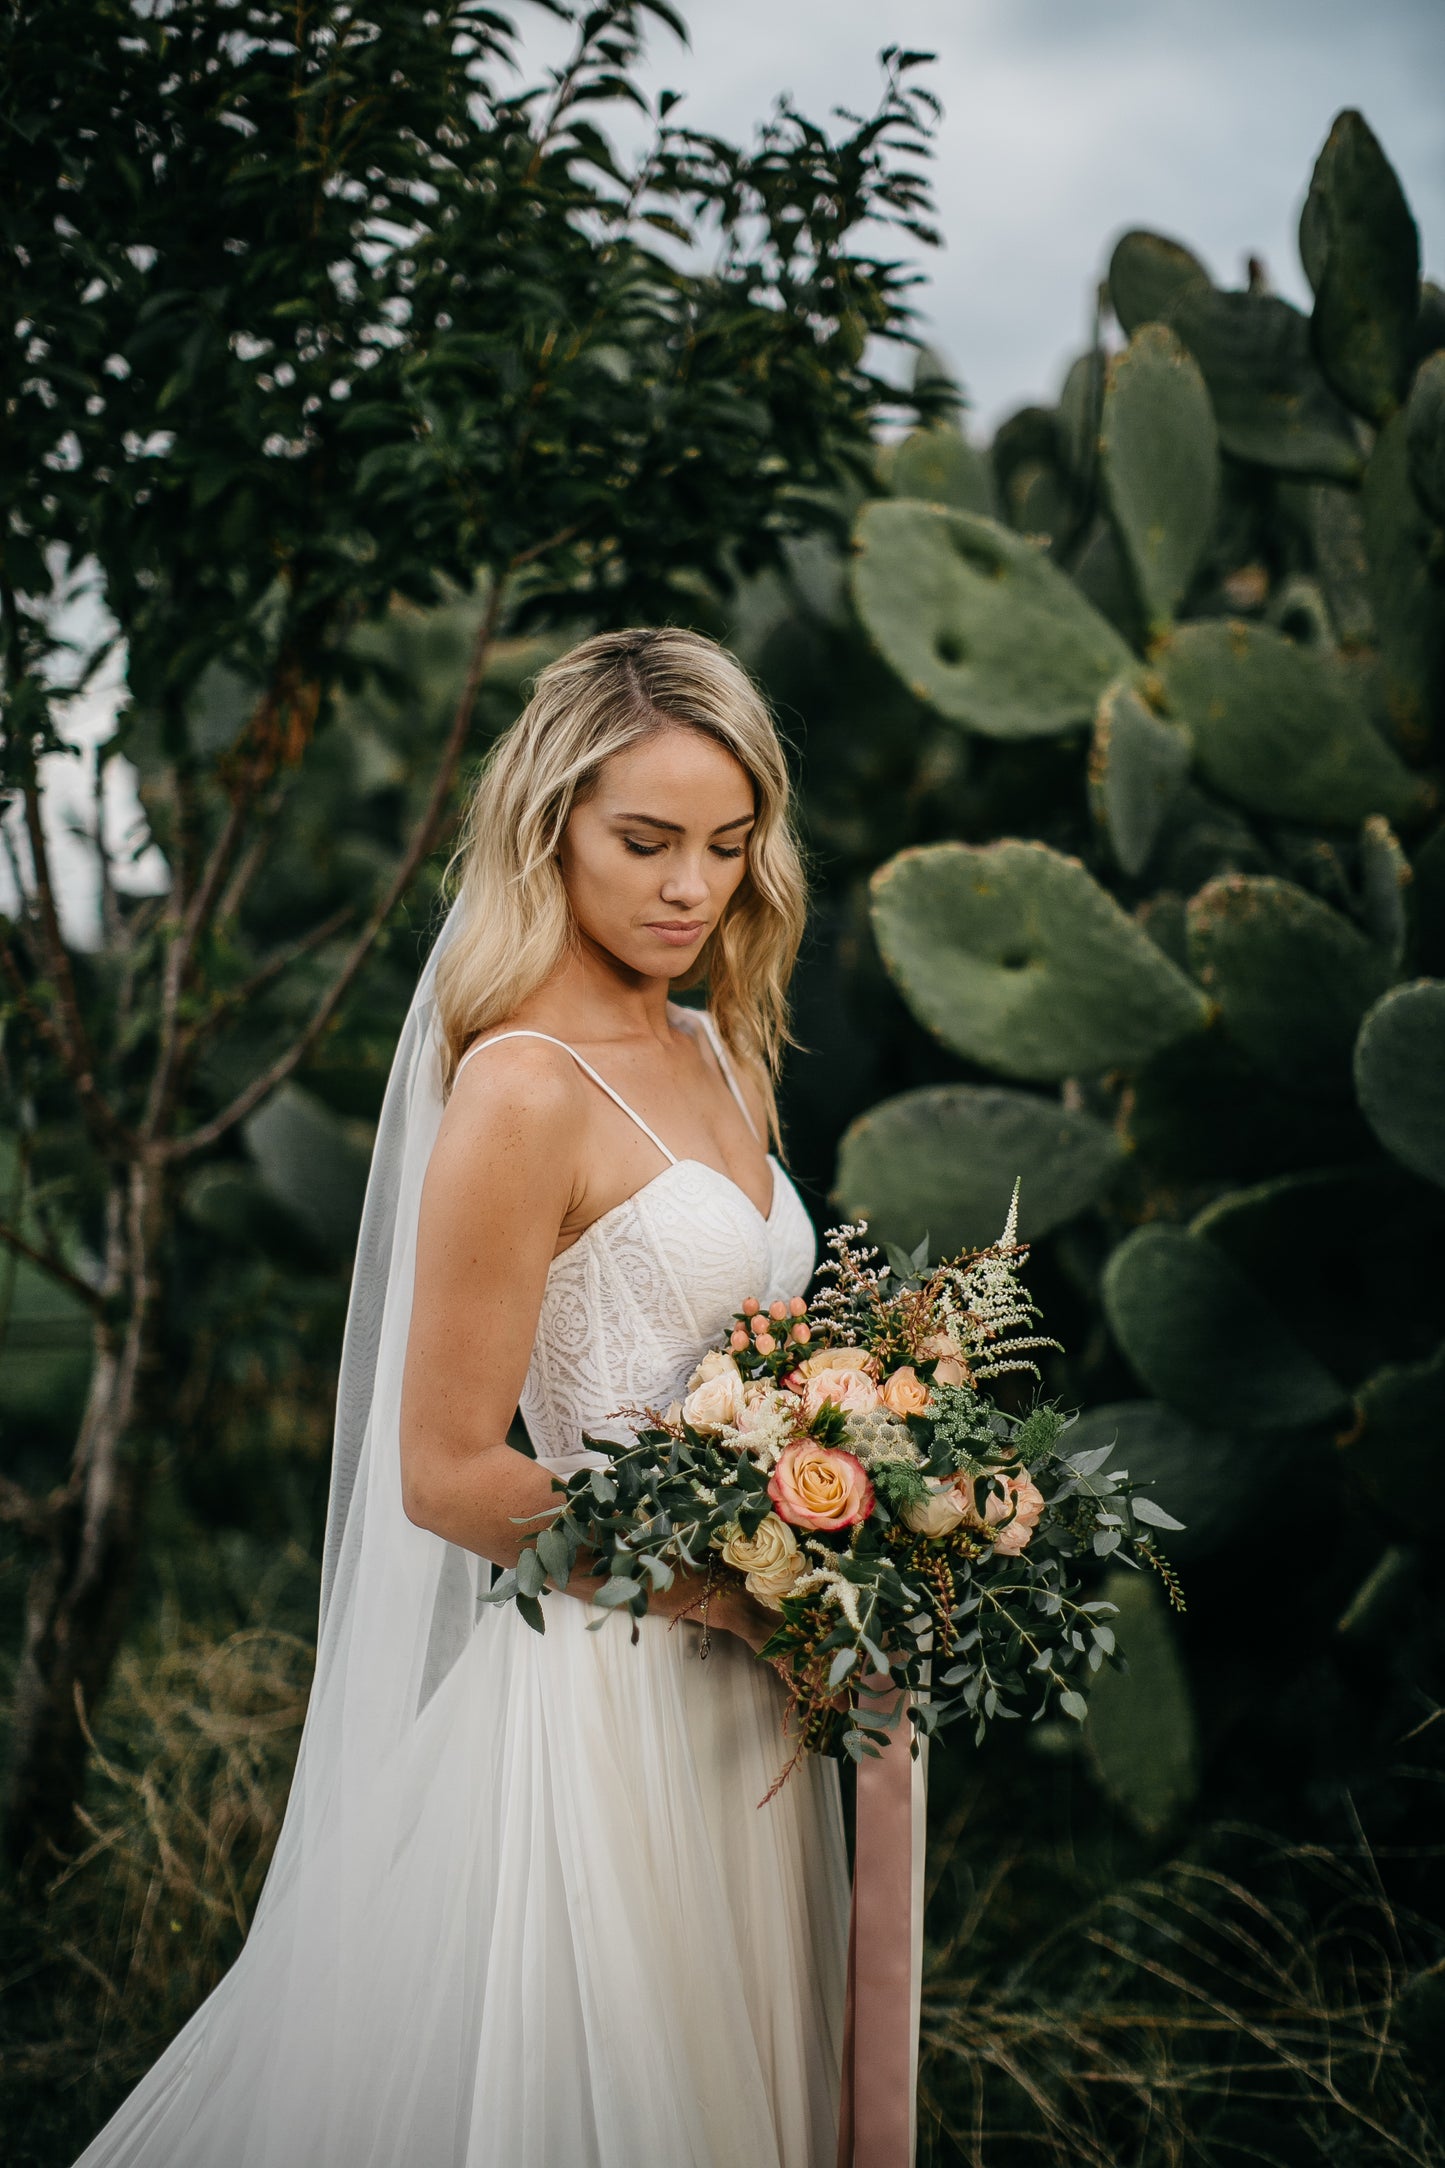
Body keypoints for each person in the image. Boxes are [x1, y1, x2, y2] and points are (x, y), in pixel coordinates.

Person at [73, 627, 850, 2168]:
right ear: (546, 825)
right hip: (612, 1687)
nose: (691, 889)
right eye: (644, 843)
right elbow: (445, 1474)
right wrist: (735, 1590)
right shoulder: (523, 1088)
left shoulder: (721, 1047)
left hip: (755, 1699)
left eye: (727, 846)